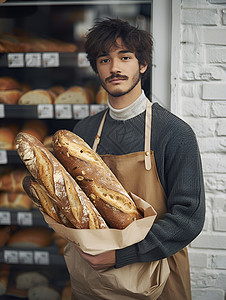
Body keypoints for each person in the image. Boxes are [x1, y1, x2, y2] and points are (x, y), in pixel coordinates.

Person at [71, 18, 205, 299]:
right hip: (97, 278)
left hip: (159, 275)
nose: (115, 68)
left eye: (125, 57)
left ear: (142, 65)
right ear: (96, 68)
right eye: (104, 59)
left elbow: (188, 218)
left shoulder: (173, 132)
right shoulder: (83, 132)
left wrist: (121, 255)